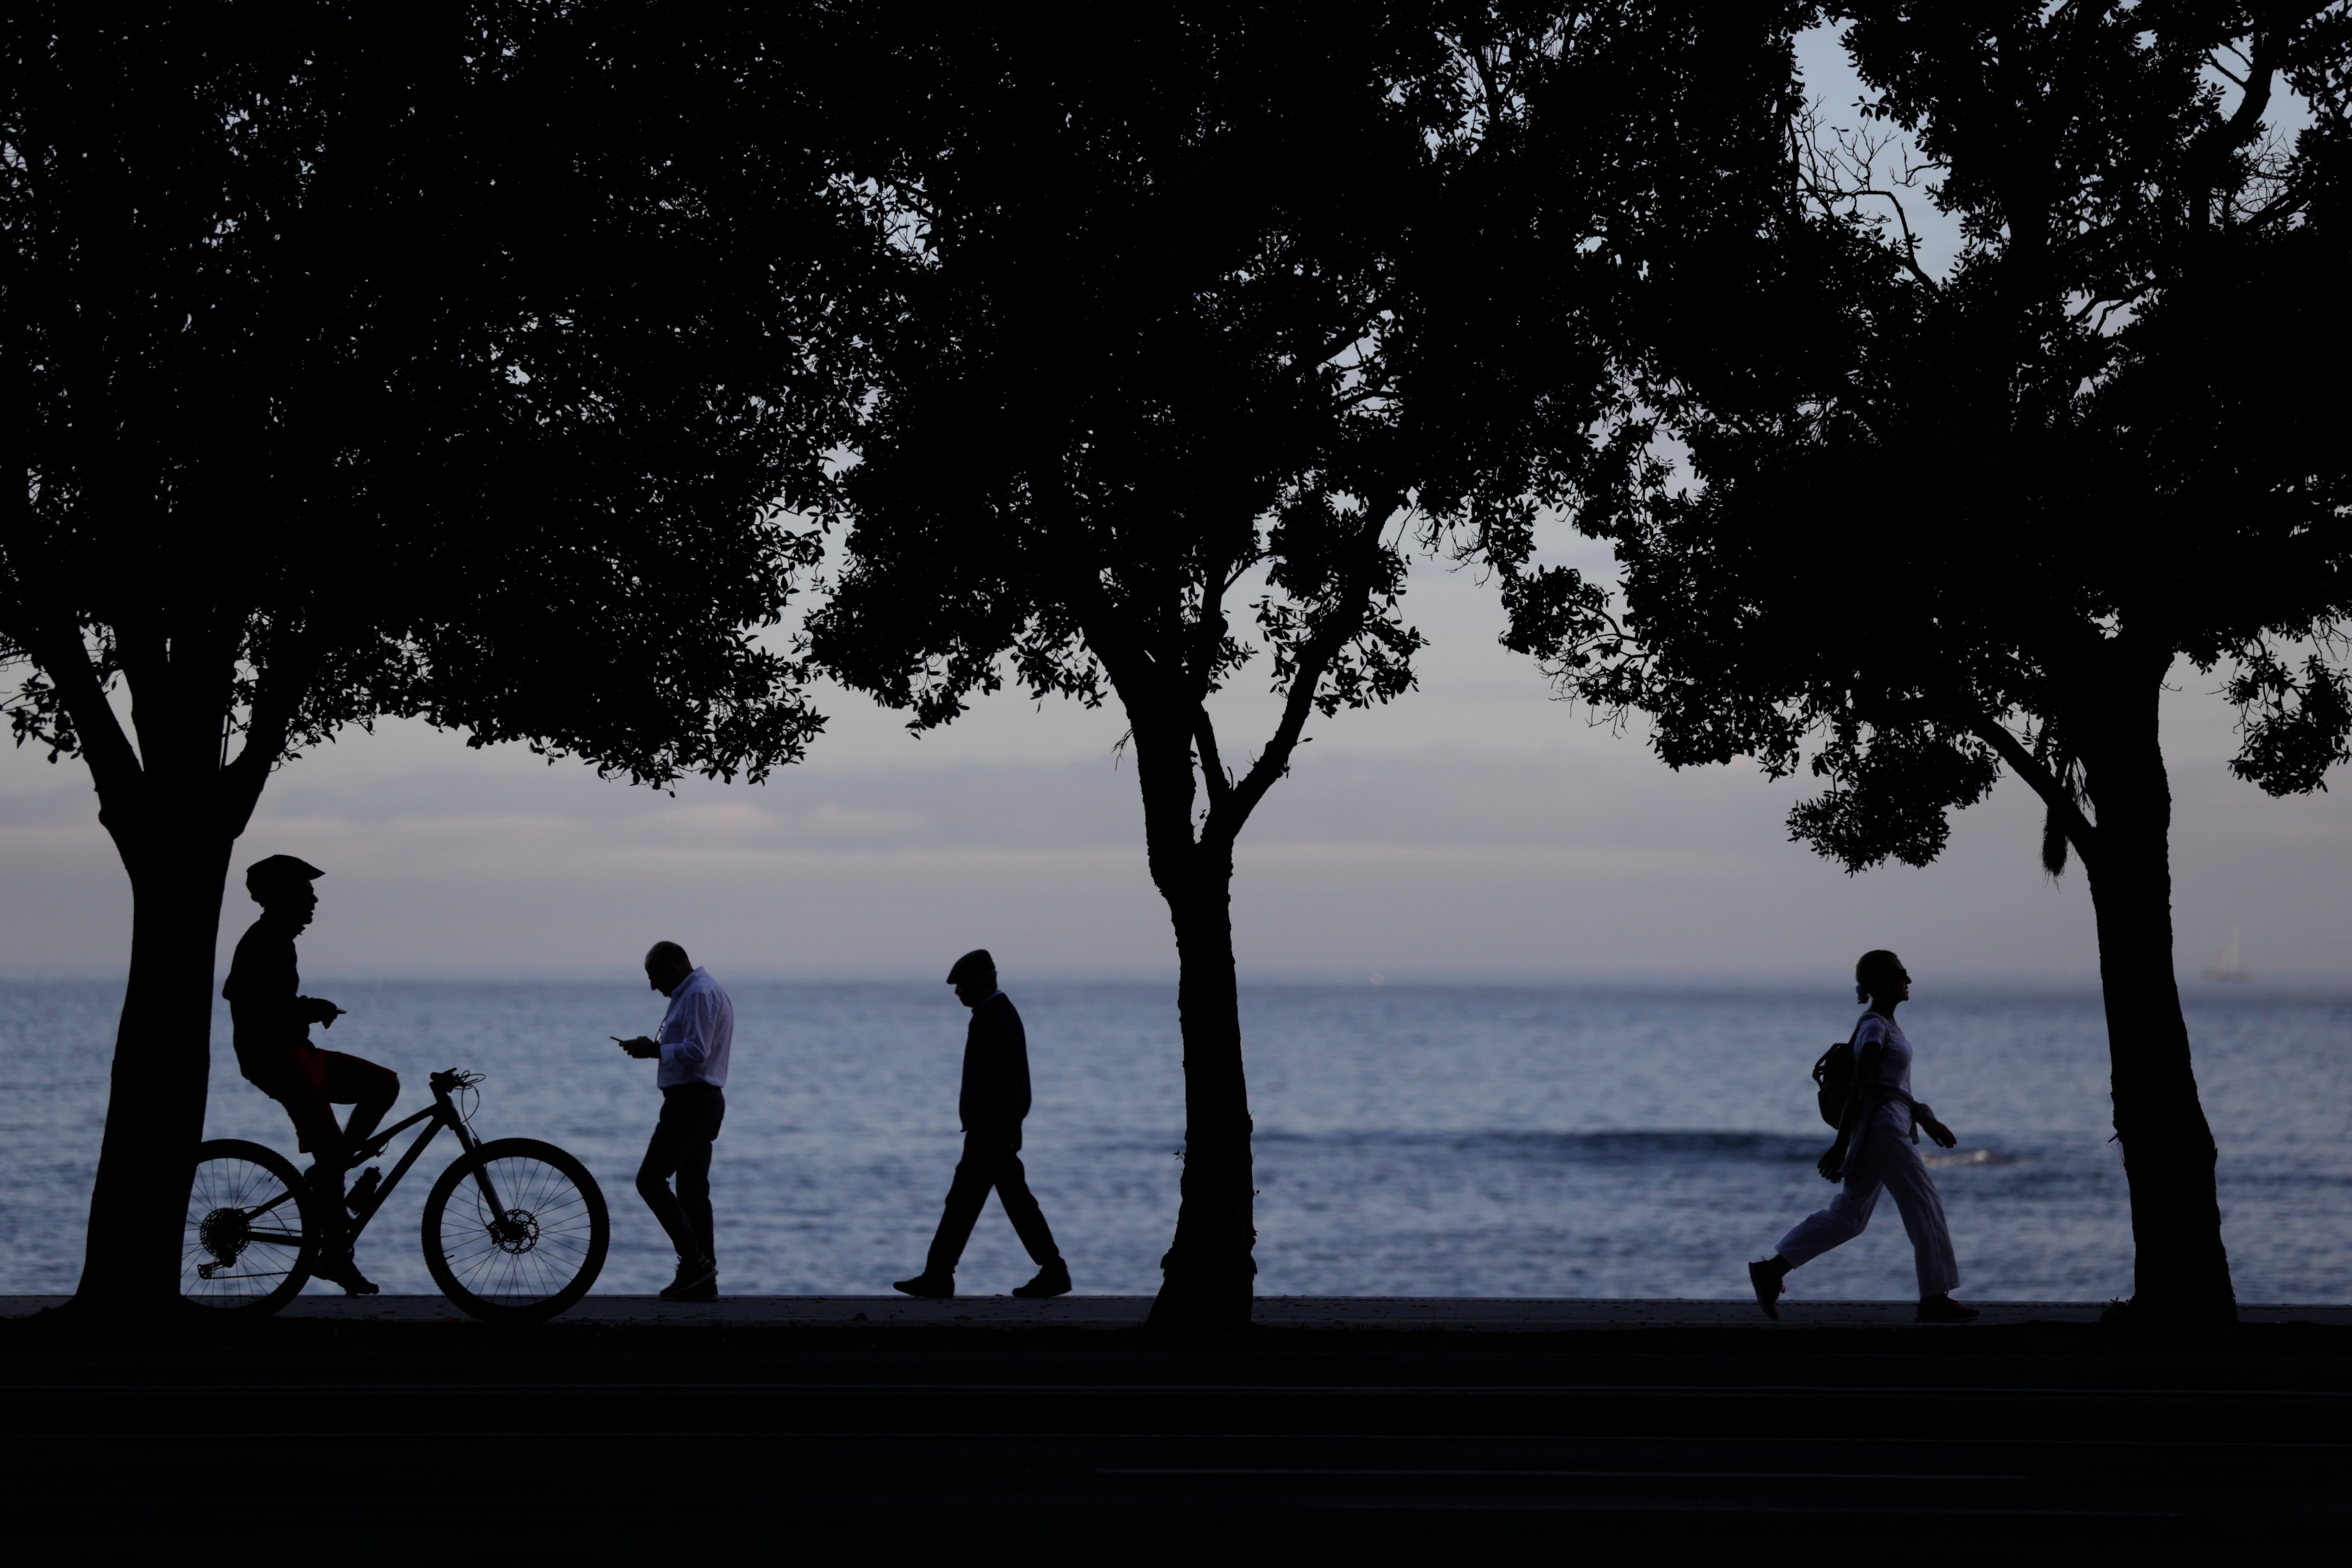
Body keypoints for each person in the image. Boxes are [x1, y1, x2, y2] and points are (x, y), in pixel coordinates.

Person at [1749, 949, 1979, 1323]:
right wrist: (1842, 1144)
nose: (1909, 980)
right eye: (1902, 973)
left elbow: (1894, 1089)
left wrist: (1925, 1118)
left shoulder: (1886, 1025)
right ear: (1883, 982)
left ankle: (1772, 1270)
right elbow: (1861, 1086)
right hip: (1884, 1131)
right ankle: (1934, 1298)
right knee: (1924, 1204)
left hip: (1884, 1127)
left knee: (1849, 1217)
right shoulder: (1874, 1027)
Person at [221, 854, 399, 1296]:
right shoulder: (265, 939)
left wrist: (306, 1008)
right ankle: (334, 1256)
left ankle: (328, 1173)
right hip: (277, 1060)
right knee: (333, 1153)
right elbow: (254, 1002)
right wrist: (310, 1008)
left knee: (383, 1085)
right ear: (283, 897)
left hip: (300, 1054)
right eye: (306, 890)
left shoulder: (279, 938)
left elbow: (271, 1000)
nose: (314, 898)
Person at [894, 949, 1070, 1300]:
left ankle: (942, 1276)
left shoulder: (994, 1017)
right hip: (994, 1130)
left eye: (961, 984)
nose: (957, 992)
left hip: (991, 1132)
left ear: (980, 978)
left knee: (974, 1204)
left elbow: (1008, 1080)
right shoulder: (997, 1014)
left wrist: (1005, 1127)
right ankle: (942, 1275)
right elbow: (1015, 1080)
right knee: (981, 1203)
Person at [613, 941, 732, 1302]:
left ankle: (695, 1264)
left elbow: (696, 1051)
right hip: (701, 1101)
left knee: (650, 1180)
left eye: (655, 976)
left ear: (673, 966)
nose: (653, 987)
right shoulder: (700, 991)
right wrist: (655, 1050)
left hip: (691, 1102)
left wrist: (653, 1049)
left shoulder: (697, 994)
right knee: (693, 1191)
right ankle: (704, 1277)